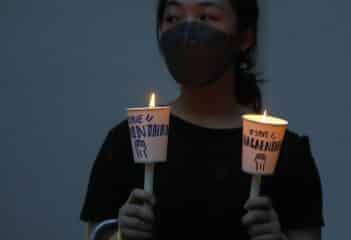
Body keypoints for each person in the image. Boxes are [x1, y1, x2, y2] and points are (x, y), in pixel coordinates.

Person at [80, 0, 325, 239]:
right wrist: (121, 235)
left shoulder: (285, 152)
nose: (187, 30)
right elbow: (96, 233)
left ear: (245, 38)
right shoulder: (128, 140)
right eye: (173, 18)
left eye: (207, 16)